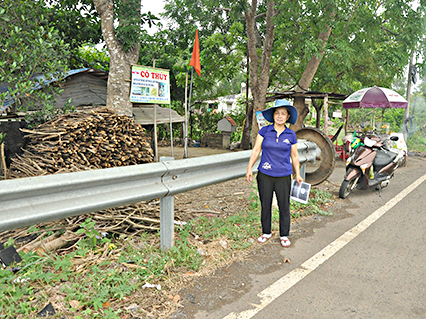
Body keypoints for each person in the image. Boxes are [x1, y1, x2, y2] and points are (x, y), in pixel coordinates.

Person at [246, 99, 303, 247]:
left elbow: (295, 156)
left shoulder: (291, 134)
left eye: (283, 114)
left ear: (287, 117)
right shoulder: (264, 131)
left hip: (284, 175)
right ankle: (266, 232)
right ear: (273, 115)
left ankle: (284, 235)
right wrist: (249, 168)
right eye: (277, 113)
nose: (280, 116)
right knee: (265, 204)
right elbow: (256, 150)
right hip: (265, 174)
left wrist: (297, 174)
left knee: (284, 205)